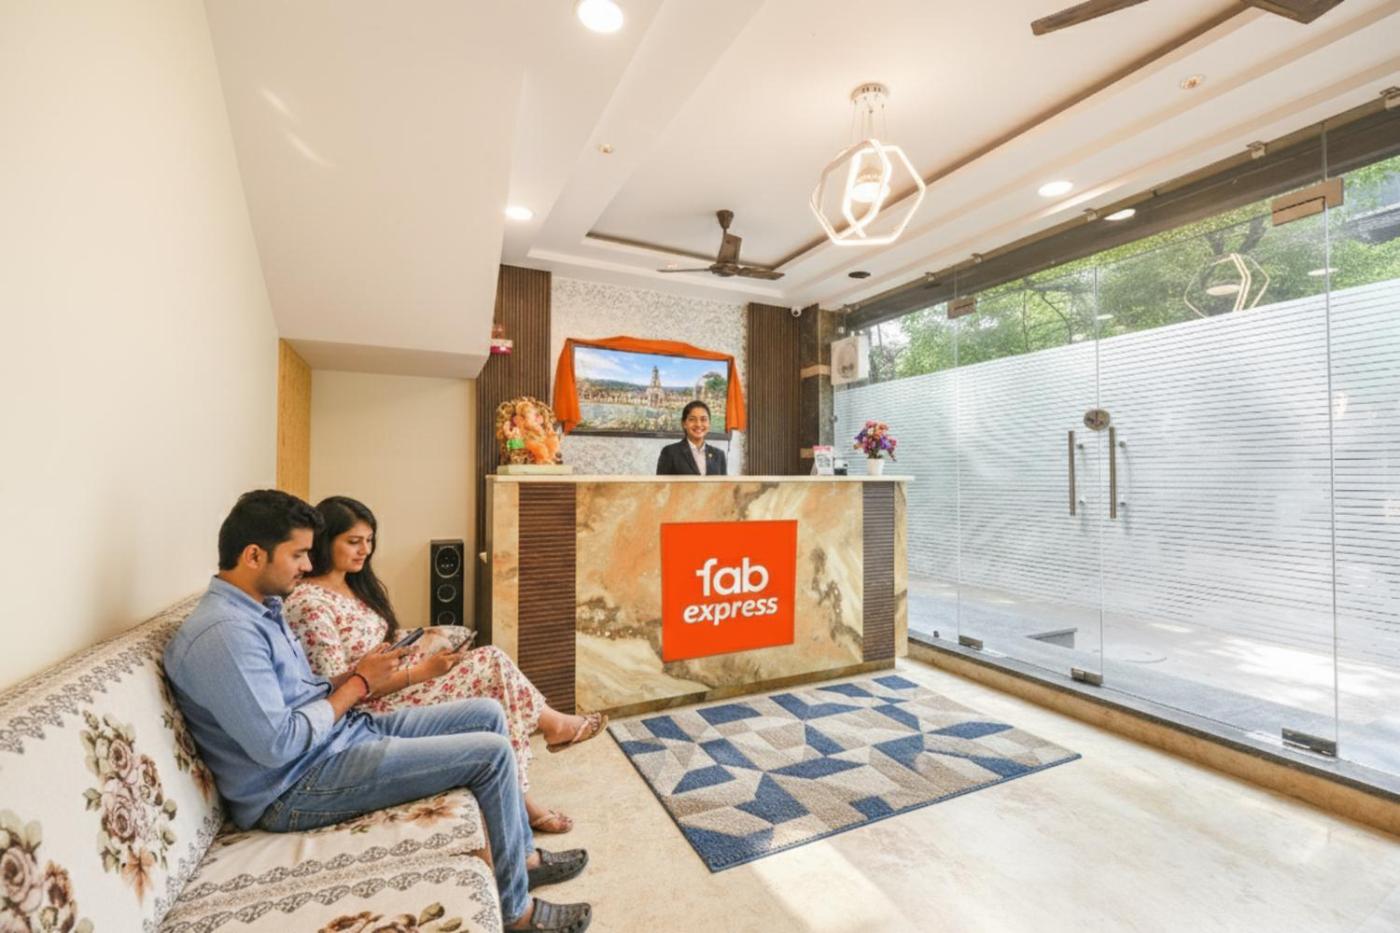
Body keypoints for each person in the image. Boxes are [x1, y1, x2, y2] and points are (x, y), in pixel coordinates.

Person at [163, 490, 592, 932]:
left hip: (336, 738)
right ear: (254, 555)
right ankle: (516, 913)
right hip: (294, 786)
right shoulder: (224, 635)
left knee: (486, 713)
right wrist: (362, 684)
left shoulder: (260, 610)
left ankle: (521, 858)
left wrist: (355, 673)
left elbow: (304, 691)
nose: (307, 565)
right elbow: (279, 744)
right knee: (491, 754)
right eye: (298, 554)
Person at [284, 495, 605, 835]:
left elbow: (376, 645)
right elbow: (339, 687)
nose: (365, 550)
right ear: (325, 541)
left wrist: (422, 647)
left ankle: (543, 745)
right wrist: (420, 672)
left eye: (369, 540)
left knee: (487, 665)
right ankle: (536, 766)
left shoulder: (353, 585)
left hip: (395, 682)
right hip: (367, 710)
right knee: (491, 664)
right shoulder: (310, 604)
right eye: (353, 542)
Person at [656, 400, 728, 475]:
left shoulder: (719, 455)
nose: (698, 424)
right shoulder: (670, 453)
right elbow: (661, 482)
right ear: (684, 423)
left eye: (703, 419)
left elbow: (724, 482)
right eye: (692, 419)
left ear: (709, 423)